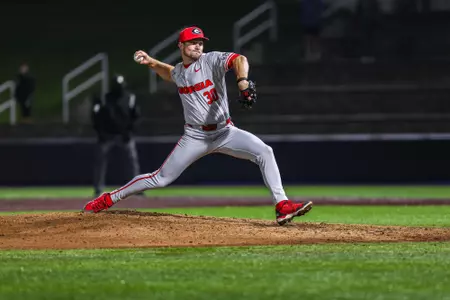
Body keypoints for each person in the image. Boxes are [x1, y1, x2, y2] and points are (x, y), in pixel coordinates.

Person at [83, 26, 313, 226]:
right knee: (160, 178)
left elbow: (239, 59)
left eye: (200, 42)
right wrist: (152, 62)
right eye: (192, 42)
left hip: (225, 132)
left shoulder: (211, 60)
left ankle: (282, 206)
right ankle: (108, 199)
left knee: (265, 152)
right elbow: (170, 74)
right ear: (181, 46)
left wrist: (242, 81)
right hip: (194, 137)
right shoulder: (181, 72)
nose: (198, 46)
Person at [91, 74, 141, 197]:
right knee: (100, 161)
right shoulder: (105, 98)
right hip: (107, 135)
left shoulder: (130, 97)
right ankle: (98, 188)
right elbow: (97, 117)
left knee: (132, 160)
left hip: (124, 136)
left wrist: (129, 132)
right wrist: (100, 133)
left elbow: (136, 116)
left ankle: (137, 188)